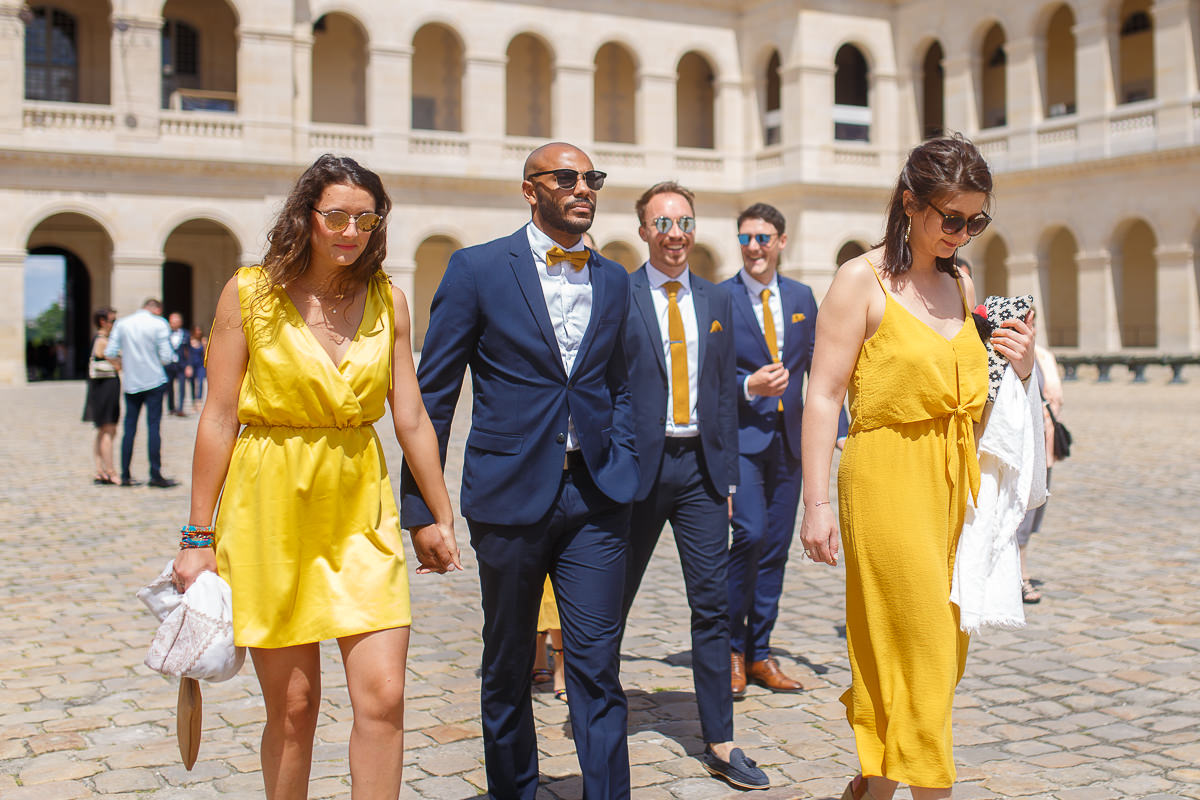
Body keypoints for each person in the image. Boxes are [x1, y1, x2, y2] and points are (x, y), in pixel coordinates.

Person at [171, 154, 459, 800]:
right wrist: (197, 535)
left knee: (384, 697)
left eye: (365, 218)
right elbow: (217, 417)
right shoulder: (250, 293)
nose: (351, 231)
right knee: (295, 708)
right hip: (271, 508)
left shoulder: (390, 299)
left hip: (361, 507)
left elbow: (409, 414)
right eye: (337, 216)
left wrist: (441, 515)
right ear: (308, 217)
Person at [798, 135, 1035, 800]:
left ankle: (874, 784)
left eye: (976, 221)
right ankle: (930, 788)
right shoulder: (859, 279)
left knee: (940, 655)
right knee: (924, 651)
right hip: (886, 480)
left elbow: (977, 389)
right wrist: (815, 503)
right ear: (910, 203)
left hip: (956, 486)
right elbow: (822, 396)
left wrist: (1019, 363)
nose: (963, 234)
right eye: (951, 218)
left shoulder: (960, 278)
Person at [399, 142, 638, 800]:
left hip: (597, 496)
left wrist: (629, 463)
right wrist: (421, 509)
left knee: (596, 665)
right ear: (530, 189)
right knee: (507, 662)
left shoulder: (616, 278)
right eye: (567, 177)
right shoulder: (477, 270)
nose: (583, 187)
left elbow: (623, 384)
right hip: (507, 497)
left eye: (592, 178)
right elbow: (434, 396)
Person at [620, 182, 768, 791]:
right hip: (636, 474)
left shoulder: (717, 301)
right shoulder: (618, 293)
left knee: (711, 606)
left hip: (701, 475)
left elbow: (723, 399)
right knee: (607, 602)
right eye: (662, 223)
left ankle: (720, 735)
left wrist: (728, 476)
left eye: (683, 222)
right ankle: (596, 711)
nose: (675, 233)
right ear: (644, 231)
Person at [723, 203, 847, 698]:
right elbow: (709, 375)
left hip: (792, 442)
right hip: (742, 439)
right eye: (746, 238)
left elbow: (823, 367)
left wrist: (838, 426)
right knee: (749, 536)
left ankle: (760, 653)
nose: (754, 247)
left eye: (763, 238)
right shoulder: (720, 298)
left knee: (775, 548)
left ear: (781, 241)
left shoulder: (801, 296)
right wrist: (747, 384)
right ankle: (731, 650)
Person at [1015, 308, 1063, 604]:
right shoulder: (1007, 354)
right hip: (1021, 448)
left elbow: (1056, 397)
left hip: (1044, 447)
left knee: (1035, 514)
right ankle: (1020, 578)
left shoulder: (1044, 356)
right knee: (1021, 516)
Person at [104, 298, 178, 488]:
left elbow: (110, 351)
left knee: (129, 429)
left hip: (132, 382)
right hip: (154, 380)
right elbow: (167, 357)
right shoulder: (159, 324)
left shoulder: (122, 323)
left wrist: (123, 365)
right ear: (156, 309)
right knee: (153, 427)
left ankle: (126, 474)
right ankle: (155, 474)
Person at [83, 306, 120, 484]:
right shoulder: (103, 341)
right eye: (113, 321)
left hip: (99, 388)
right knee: (109, 429)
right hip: (107, 387)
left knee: (101, 429)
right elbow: (118, 364)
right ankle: (110, 471)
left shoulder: (97, 339)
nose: (115, 324)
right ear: (102, 322)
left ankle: (100, 470)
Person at [181, 324, 207, 412]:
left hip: (200, 365)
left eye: (199, 330)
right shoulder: (189, 341)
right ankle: (193, 402)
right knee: (192, 384)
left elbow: (205, 353)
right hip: (192, 365)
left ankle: (198, 401)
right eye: (197, 330)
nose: (198, 332)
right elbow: (187, 354)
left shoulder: (203, 341)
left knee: (200, 382)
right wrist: (187, 366)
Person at [166, 311, 187, 416]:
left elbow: (189, 351)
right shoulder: (165, 334)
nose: (174, 323)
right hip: (169, 364)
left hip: (181, 364)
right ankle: (171, 407)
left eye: (176, 321)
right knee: (169, 386)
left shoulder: (185, 334)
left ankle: (180, 408)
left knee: (182, 387)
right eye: (172, 321)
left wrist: (189, 365)